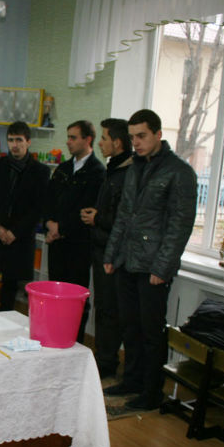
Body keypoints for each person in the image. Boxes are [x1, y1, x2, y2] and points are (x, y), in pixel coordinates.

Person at [103, 109, 197, 410]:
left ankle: (152, 391)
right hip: (127, 261)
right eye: (133, 137)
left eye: (142, 136)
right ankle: (132, 380)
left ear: (158, 134)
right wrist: (111, 254)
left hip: (154, 266)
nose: (137, 142)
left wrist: (162, 267)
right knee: (129, 326)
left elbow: (180, 226)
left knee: (151, 331)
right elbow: (123, 216)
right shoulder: (134, 168)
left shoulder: (179, 172)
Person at [80, 118, 133, 378]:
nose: (100, 143)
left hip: (114, 253)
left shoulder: (128, 174)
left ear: (118, 142)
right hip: (102, 247)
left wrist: (97, 218)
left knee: (110, 310)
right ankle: (103, 358)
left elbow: (125, 219)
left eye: (104, 138)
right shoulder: (114, 170)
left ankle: (106, 362)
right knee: (103, 308)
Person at [0, 121, 50, 312]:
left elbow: (38, 208)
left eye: (19, 140)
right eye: (10, 140)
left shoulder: (40, 171)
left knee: (10, 287)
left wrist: (15, 232)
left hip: (20, 237)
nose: (14, 145)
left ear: (28, 142)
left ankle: (5, 323)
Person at [44, 120, 105, 342]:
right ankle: (53, 337)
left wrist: (60, 228)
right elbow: (48, 200)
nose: (68, 142)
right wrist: (49, 224)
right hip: (57, 243)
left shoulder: (97, 172)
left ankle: (73, 341)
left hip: (79, 245)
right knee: (54, 293)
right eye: (68, 137)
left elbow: (87, 210)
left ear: (88, 140)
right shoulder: (63, 169)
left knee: (75, 297)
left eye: (73, 137)